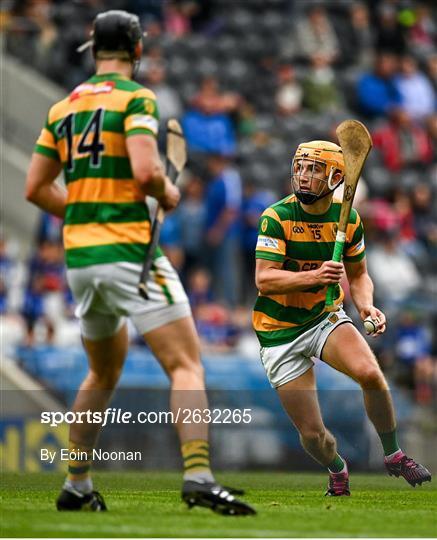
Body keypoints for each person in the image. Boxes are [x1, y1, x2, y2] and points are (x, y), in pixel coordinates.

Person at [25, 10, 254, 516]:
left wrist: (86, 210)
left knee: (100, 373)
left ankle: (77, 483)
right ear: (138, 50)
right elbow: (148, 171)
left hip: (81, 259)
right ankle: (198, 474)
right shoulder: (136, 98)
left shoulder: (62, 107)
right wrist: (167, 191)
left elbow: (35, 188)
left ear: (92, 49)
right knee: (186, 364)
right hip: (130, 250)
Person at [252, 139, 431, 496]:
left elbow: (360, 274)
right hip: (279, 332)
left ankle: (393, 454)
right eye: (300, 167)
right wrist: (314, 276)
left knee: (370, 373)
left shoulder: (347, 219)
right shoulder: (277, 217)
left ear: (336, 177)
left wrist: (366, 306)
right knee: (315, 436)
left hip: (323, 318)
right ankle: (337, 469)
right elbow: (265, 279)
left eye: (314, 169)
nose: (303, 176)